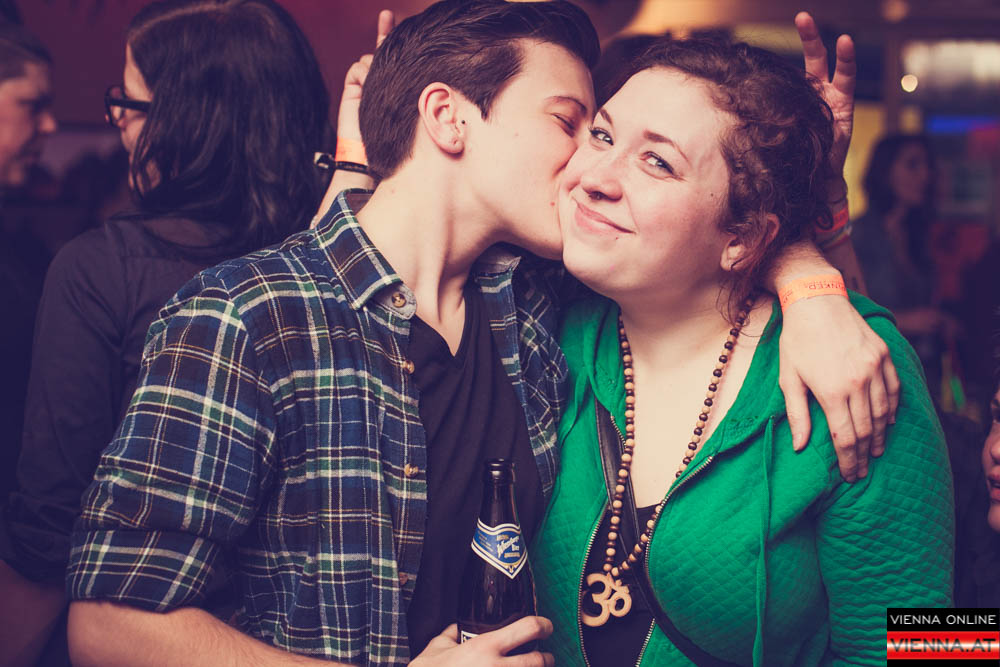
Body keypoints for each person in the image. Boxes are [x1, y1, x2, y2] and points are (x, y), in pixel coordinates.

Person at [67, 2, 900, 665]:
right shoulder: (247, 318)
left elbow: (946, 634)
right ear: (449, 117)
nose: (590, 168)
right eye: (580, 126)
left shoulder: (537, 306)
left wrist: (817, 274)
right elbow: (105, 624)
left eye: (641, 153)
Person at [531, 36, 953, 666]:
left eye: (657, 163)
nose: (594, 179)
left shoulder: (854, 359)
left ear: (744, 238)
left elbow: (936, 645)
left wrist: (812, 276)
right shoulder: (539, 316)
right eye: (601, 135)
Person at [0, 1, 334, 664]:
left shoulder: (105, 271)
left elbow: (51, 526)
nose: (117, 119)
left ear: (189, 120)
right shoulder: (334, 260)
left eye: (129, 101)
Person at [852, 133, 954, 396]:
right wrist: (906, 320)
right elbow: (846, 309)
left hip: (923, 370)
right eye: (912, 165)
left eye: (927, 166)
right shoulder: (857, 236)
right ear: (885, 172)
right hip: (878, 372)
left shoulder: (919, 235)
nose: (924, 175)